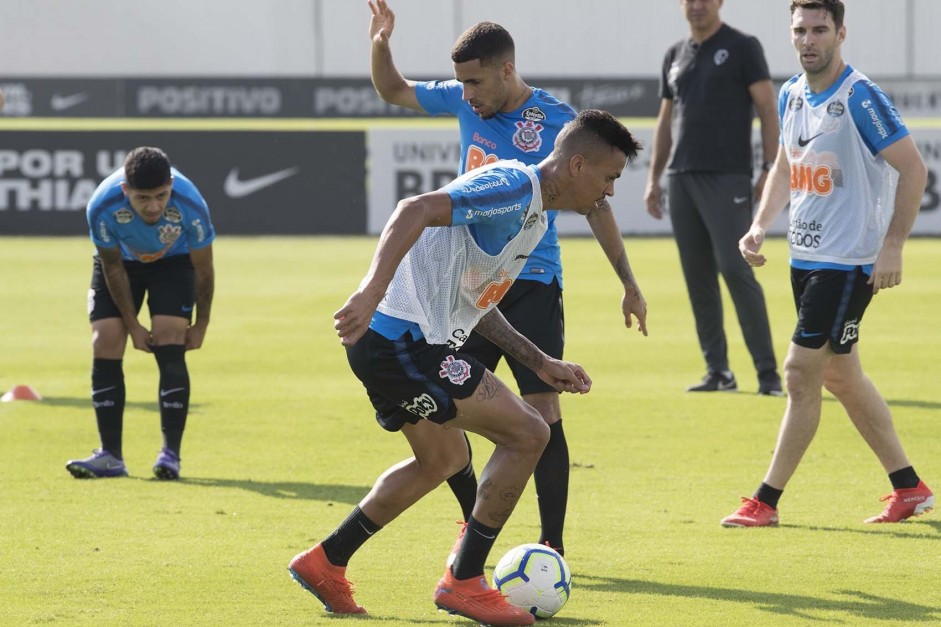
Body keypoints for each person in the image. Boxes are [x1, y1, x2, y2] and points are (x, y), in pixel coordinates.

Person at [287, 110, 641, 625]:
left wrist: (540, 362)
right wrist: (370, 290)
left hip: (399, 344)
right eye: (608, 179)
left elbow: (474, 301)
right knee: (529, 433)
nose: (608, 193)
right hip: (401, 341)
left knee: (444, 459)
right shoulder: (514, 185)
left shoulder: (533, 217)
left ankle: (326, 561)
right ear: (578, 165)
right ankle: (465, 580)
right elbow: (414, 207)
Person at [367, 0, 647, 559]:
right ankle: (473, 527)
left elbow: (596, 204)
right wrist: (380, 44)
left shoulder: (555, 123)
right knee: (451, 401)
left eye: (474, 82)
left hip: (532, 277)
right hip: (470, 281)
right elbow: (393, 90)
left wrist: (628, 281)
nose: (466, 95)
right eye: (461, 84)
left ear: (506, 71)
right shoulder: (462, 95)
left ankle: (552, 543)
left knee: (543, 411)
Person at [721, 0, 934, 527]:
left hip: (847, 265)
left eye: (820, 29)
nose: (809, 39)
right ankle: (908, 487)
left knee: (799, 373)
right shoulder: (792, 92)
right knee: (841, 375)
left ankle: (765, 500)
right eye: (800, 30)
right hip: (805, 259)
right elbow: (785, 165)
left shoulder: (859, 96)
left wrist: (892, 246)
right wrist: (759, 223)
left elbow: (914, 169)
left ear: (841, 32)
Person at [645, 0, 782, 395]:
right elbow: (665, 119)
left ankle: (768, 374)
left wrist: (771, 167)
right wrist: (654, 177)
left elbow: (767, 108)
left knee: (736, 270)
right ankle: (718, 371)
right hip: (681, 177)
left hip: (727, 176)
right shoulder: (674, 53)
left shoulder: (743, 46)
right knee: (697, 278)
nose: (697, 5)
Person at [66, 146, 215, 481]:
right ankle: (110, 456)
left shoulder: (191, 204)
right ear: (125, 191)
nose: (154, 207)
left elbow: (203, 269)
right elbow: (112, 266)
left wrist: (202, 322)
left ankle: (170, 456)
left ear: (171, 185)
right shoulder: (102, 205)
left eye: (161, 196)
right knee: (105, 339)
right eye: (143, 198)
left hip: (173, 265)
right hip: (121, 265)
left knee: (170, 336)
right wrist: (132, 325)